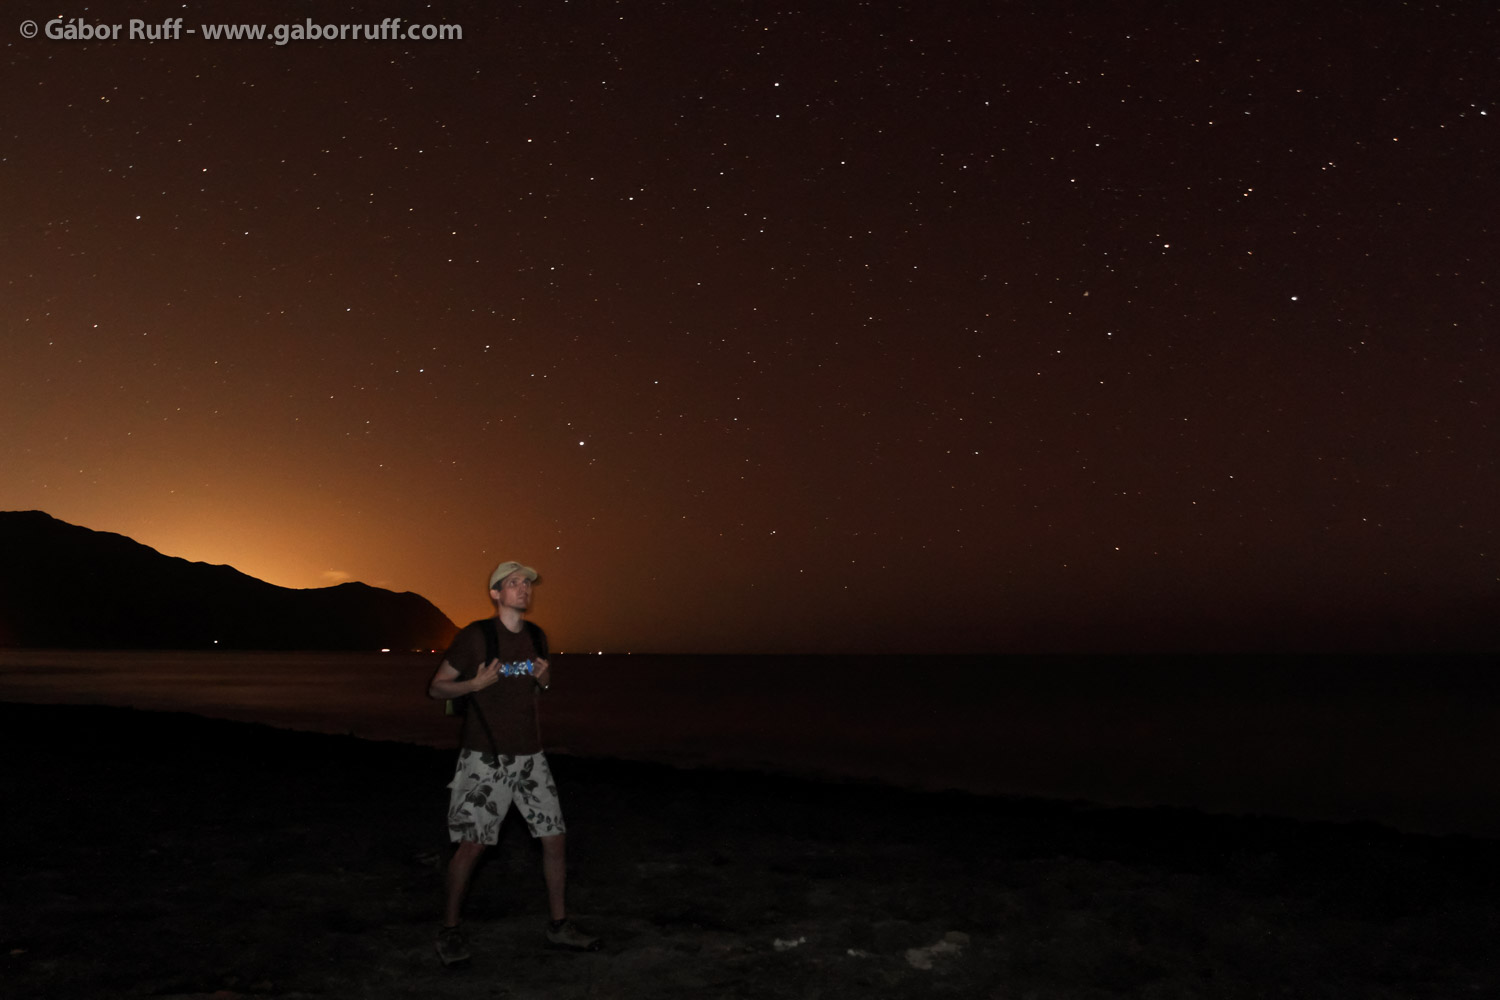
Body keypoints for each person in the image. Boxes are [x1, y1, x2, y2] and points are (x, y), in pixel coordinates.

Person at [426, 560, 601, 965]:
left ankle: (559, 927)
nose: (523, 589)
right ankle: (449, 930)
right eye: (513, 583)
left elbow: (540, 682)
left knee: (554, 838)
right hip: (484, 758)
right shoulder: (476, 636)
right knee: (472, 846)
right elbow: (436, 687)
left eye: (527, 583)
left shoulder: (537, 637)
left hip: (532, 757)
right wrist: (474, 684)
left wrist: (544, 680)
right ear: (495, 593)